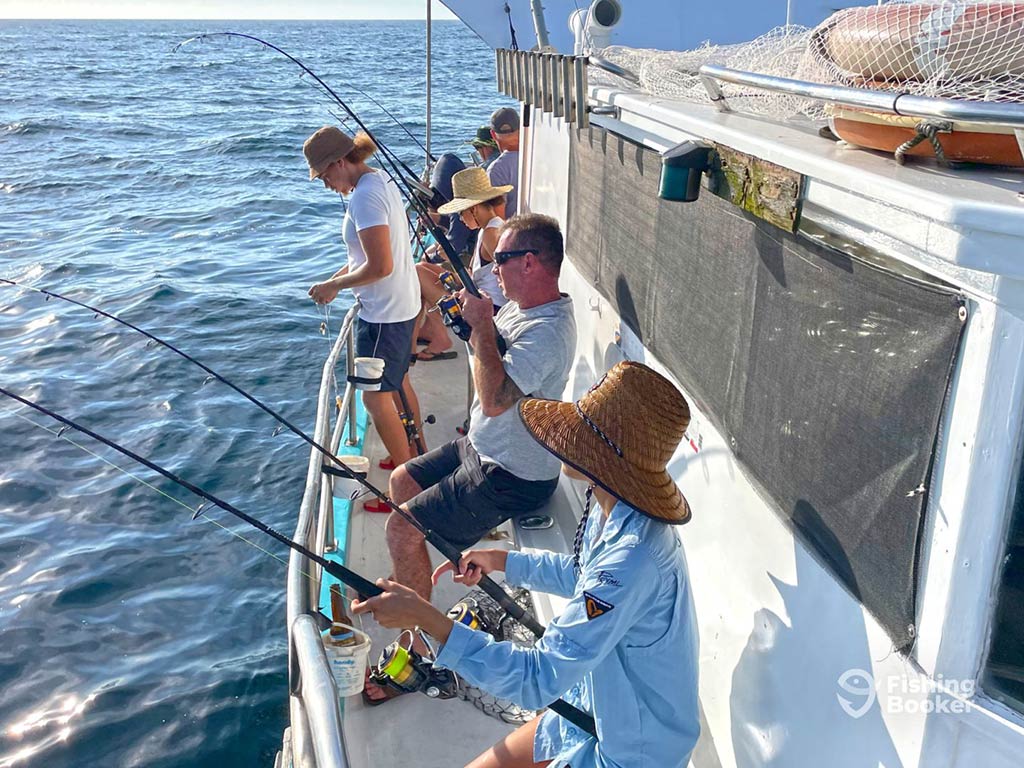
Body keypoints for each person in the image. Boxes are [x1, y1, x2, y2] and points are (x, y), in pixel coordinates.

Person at [353, 361, 701, 768]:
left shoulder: (633, 558)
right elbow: (579, 574)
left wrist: (427, 618)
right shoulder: (613, 506)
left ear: (603, 458)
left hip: (633, 749)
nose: (563, 438)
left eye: (579, 431)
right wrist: (500, 559)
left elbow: (537, 679)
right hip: (590, 710)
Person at [383, 212, 576, 608]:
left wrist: (482, 329)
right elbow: (488, 360)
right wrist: (472, 327)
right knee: (402, 480)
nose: (493, 268)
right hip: (481, 446)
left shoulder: (549, 331)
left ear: (529, 262)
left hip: (513, 473)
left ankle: (417, 634)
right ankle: (417, 577)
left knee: (400, 528)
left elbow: (494, 399)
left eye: (501, 259)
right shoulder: (519, 308)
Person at [303, 126, 424, 505]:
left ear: (340, 162)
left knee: (375, 398)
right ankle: (414, 458)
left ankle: (407, 488)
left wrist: (335, 288)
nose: (325, 184)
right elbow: (366, 258)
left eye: (325, 175)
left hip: (383, 313)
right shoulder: (379, 182)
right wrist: (333, 278)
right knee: (399, 381)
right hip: (403, 305)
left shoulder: (364, 200)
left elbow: (379, 266)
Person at [437, 167, 511, 312]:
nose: (460, 218)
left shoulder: (491, 233)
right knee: (425, 269)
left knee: (421, 273)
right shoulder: (486, 229)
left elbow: (509, 277)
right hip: (483, 300)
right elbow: (475, 273)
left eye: (460, 212)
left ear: (473, 209)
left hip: (492, 308)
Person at [486, 107, 521, 217]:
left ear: (493, 134)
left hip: (519, 232)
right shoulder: (537, 155)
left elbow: (498, 219)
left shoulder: (496, 170)